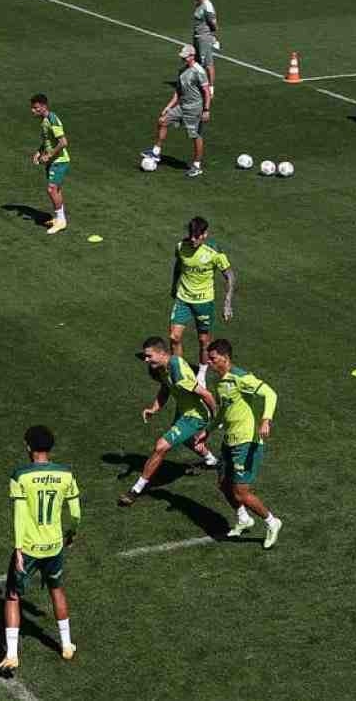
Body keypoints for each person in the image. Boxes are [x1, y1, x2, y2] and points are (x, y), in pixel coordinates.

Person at [0, 424, 80, 675]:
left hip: (30, 547)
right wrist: (71, 532)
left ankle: (11, 654)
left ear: (28, 447)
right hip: (54, 546)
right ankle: (66, 645)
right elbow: (75, 512)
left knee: (12, 595)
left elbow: (20, 515)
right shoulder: (66, 474)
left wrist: (18, 548)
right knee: (57, 589)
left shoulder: (20, 476)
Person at [120, 336, 220, 507]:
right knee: (187, 440)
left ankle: (136, 489)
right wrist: (154, 408)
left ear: (161, 353)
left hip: (195, 415)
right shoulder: (163, 368)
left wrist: (215, 420)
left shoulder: (177, 368)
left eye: (149, 356)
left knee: (161, 446)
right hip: (183, 411)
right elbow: (165, 388)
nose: (146, 360)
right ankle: (213, 461)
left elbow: (206, 394)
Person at [205, 339, 282, 548]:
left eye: (212, 359)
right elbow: (223, 411)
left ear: (225, 357)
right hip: (229, 441)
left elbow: (270, 393)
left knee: (241, 492)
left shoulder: (241, 377)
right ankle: (243, 519)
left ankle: (272, 522)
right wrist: (208, 430)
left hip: (246, 443)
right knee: (222, 484)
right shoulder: (220, 382)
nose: (209, 363)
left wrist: (266, 419)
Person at [168, 215, 235, 359]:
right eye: (191, 235)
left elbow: (230, 276)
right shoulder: (181, 246)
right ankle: (180, 371)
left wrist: (227, 303)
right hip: (183, 299)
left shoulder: (214, 251)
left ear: (205, 234)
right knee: (174, 337)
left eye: (197, 236)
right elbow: (179, 266)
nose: (193, 239)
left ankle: (201, 374)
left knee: (204, 341)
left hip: (204, 301)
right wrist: (174, 285)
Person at [148, 45, 213, 177]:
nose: (183, 58)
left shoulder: (199, 71)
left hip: (194, 108)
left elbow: (206, 92)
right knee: (163, 121)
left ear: (192, 56)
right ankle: (156, 152)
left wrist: (206, 110)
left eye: (185, 56)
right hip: (181, 106)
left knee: (195, 136)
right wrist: (169, 106)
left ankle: (197, 165)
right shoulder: (182, 70)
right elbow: (178, 92)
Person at [29, 94, 69, 234]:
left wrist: (50, 155)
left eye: (35, 108)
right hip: (53, 161)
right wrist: (39, 152)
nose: (32, 111)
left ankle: (61, 220)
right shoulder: (44, 120)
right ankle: (60, 218)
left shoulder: (52, 120)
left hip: (59, 161)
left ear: (44, 106)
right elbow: (48, 140)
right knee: (56, 190)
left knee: (51, 189)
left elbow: (63, 142)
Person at [190, 0, 219, 84]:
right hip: (197, 37)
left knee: (207, 63)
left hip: (204, 38)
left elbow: (214, 24)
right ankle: (199, 82)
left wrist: (212, 37)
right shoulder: (199, 4)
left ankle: (210, 87)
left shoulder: (207, 6)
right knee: (197, 61)